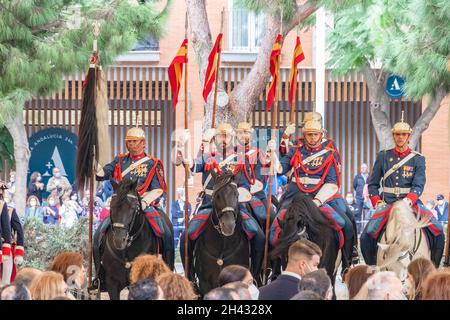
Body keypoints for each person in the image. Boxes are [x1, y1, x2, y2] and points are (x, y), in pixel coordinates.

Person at [176, 123, 265, 279]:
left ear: (233, 138)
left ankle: (256, 276)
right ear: (215, 138)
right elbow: (192, 166)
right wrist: (183, 147)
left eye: (227, 136)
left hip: (234, 207)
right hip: (209, 205)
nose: (224, 139)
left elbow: (245, 185)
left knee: (259, 235)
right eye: (220, 136)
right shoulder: (207, 156)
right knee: (186, 236)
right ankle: (189, 278)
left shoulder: (241, 158)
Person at [275, 114, 358, 269]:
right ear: (304, 133)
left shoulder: (329, 150)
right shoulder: (296, 149)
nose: (312, 137)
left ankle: (349, 261)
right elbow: (279, 169)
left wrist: (317, 201)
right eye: (308, 133)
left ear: (321, 132)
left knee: (345, 223)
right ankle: (273, 267)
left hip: (320, 196)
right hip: (295, 196)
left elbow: (333, 181)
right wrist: (271, 158)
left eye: (315, 133)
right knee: (274, 225)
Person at [361, 114, 445, 267]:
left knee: (438, 230)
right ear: (393, 136)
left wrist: (408, 201)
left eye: (404, 134)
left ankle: (434, 267)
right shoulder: (384, 156)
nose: (401, 138)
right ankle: (372, 268)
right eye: (398, 134)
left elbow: (418, 185)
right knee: (366, 235)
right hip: (388, 204)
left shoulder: (418, 159)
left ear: (409, 136)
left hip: (411, 204)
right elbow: (373, 184)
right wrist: (377, 201)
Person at [95, 125, 173, 268]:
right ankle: (99, 274)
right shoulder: (119, 160)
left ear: (143, 143)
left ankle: (167, 269)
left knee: (165, 232)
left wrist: (144, 201)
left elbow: (158, 188)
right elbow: (103, 174)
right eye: (129, 141)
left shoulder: (153, 163)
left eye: (134, 141)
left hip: (145, 204)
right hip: (122, 205)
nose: (130, 144)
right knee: (99, 233)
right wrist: (93, 162)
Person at [353, 163, 369, 230]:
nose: (363, 169)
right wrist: (359, 192)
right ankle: (358, 230)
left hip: (368, 198)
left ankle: (367, 230)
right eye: (362, 168)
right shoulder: (357, 177)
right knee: (358, 214)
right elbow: (354, 186)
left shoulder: (369, 177)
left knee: (368, 214)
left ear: (367, 169)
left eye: (364, 168)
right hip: (359, 198)